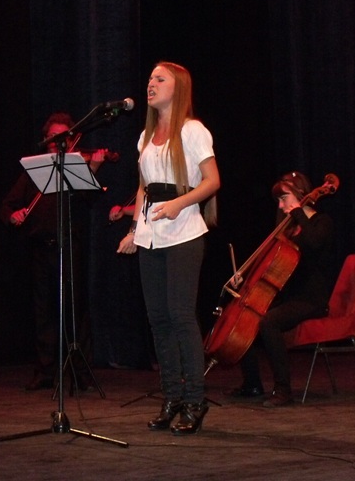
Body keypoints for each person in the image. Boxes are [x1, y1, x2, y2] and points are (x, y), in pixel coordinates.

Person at [117, 61, 220, 436]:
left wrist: (180, 203)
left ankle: (195, 400)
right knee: (158, 320)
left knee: (180, 316)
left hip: (184, 233)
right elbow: (143, 187)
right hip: (151, 235)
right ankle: (172, 397)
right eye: (150, 78)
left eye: (160, 79)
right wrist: (134, 229)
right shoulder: (145, 137)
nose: (151, 83)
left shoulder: (192, 131)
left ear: (179, 88)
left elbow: (212, 181)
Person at [0, 112, 105, 392]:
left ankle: (81, 372)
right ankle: (45, 371)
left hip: (69, 246)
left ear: (71, 139)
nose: (58, 142)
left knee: (75, 310)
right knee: (44, 312)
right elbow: (7, 205)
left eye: (64, 137)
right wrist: (13, 215)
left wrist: (94, 168)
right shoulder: (34, 171)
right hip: (40, 249)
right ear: (47, 140)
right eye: (52, 137)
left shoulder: (76, 165)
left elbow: (89, 199)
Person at [226, 171, 335, 407]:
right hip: (288, 296)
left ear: (300, 195)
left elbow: (314, 245)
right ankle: (252, 383)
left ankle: (284, 390)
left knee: (269, 322)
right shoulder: (288, 227)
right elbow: (270, 265)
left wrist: (298, 212)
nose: (280, 205)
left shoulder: (321, 222)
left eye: (284, 198)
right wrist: (243, 277)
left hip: (311, 299)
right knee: (246, 316)